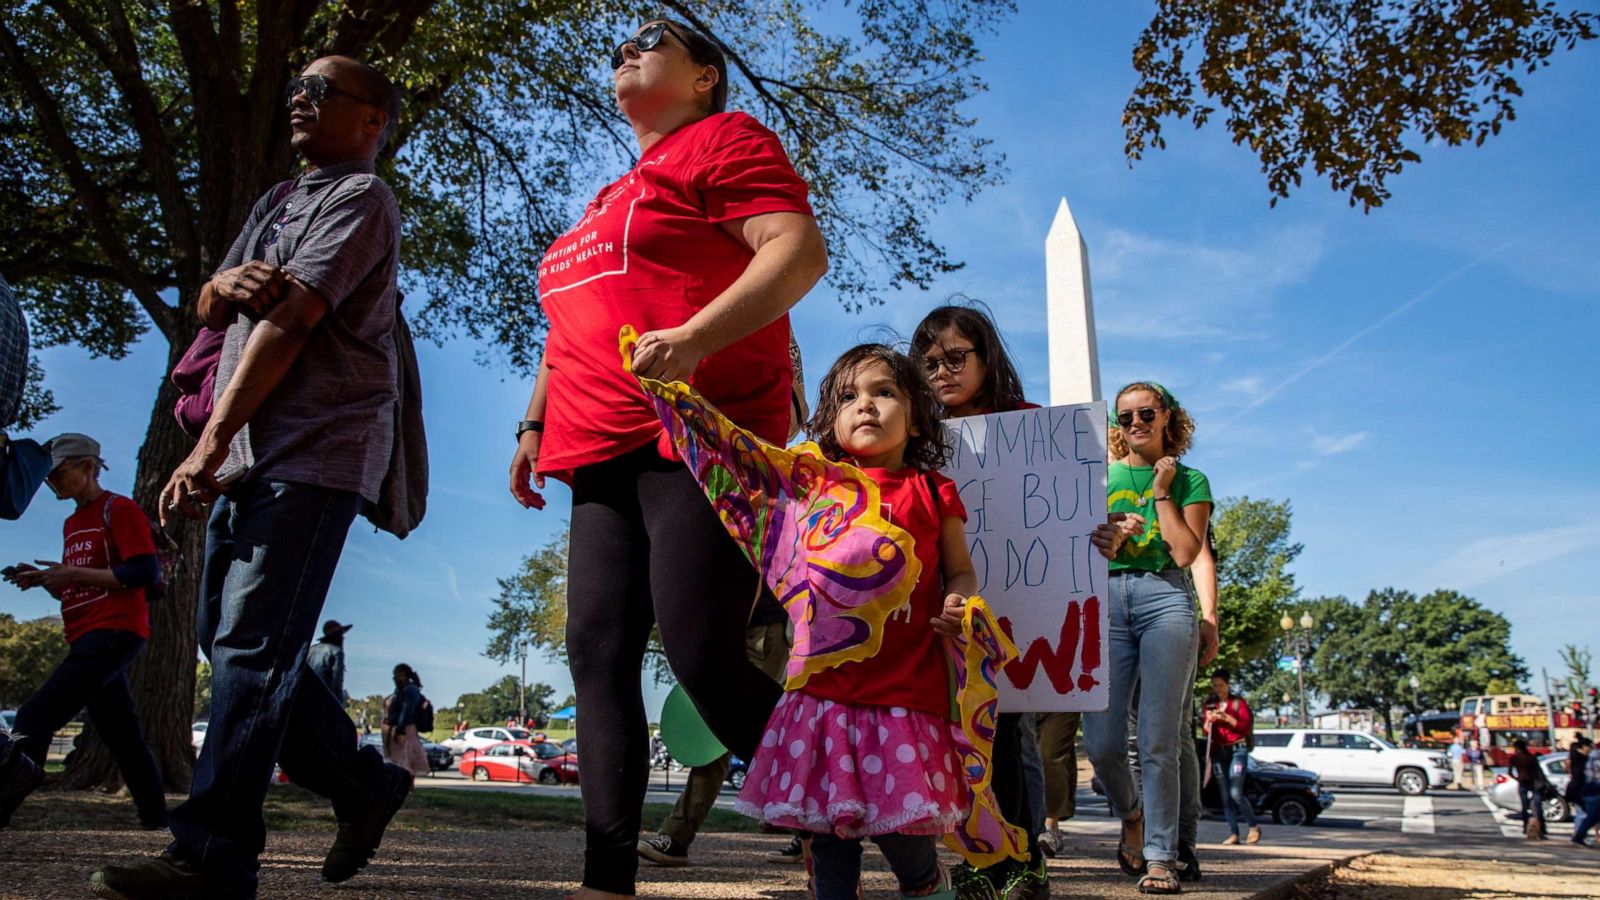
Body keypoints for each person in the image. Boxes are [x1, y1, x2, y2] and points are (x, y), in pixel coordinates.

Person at [505, 18, 827, 899]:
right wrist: (532, 427)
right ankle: (606, 878)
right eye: (615, 43)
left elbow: (798, 252)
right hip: (595, 442)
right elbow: (566, 323)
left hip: (696, 430)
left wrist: (691, 339)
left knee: (703, 654)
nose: (624, 49)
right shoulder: (608, 196)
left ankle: (843, 811)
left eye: (650, 39)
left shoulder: (725, 141)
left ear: (705, 77)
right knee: (595, 652)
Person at [90, 56, 413, 898]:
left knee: (251, 647)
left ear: (372, 120)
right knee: (226, 641)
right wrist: (218, 284)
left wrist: (202, 448)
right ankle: (362, 784)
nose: (299, 100)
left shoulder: (360, 199)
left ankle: (211, 857)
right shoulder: (278, 201)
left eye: (321, 92)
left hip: (315, 450)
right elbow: (216, 305)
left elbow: (292, 323)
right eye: (296, 88)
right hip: (250, 456)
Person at [735, 344, 975, 900]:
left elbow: (961, 573)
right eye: (848, 397)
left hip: (904, 696)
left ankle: (926, 883)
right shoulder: (813, 486)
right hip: (820, 694)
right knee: (826, 830)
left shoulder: (934, 491)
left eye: (883, 392)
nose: (865, 405)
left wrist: (960, 604)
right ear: (831, 420)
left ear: (916, 418)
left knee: (903, 834)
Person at [0, 433, 167, 830]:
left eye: (59, 473)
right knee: (121, 733)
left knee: (34, 715)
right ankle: (157, 818)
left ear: (89, 467)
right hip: (84, 629)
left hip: (114, 630)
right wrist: (45, 578)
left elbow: (144, 572)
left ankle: (3, 806)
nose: (52, 483)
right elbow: (84, 580)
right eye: (48, 477)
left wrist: (70, 572)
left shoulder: (119, 509)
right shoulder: (73, 522)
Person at [1084, 382, 1211, 896]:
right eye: (1125, 416)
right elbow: (1079, 544)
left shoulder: (1191, 480)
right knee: (1103, 743)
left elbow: (1185, 553)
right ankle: (1130, 812)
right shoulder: (1100, 477)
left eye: (1146, 413)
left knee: (1158, 738)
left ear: (1166, 416)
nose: (1135, 422)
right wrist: (1105, 532)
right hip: (1108, 599)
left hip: (1166, 599)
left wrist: (1161, 493)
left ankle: (1162, 857)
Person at [637, 597, 792, 867]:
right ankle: (814, 834)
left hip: (762, 629)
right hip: (729, 628)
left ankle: (816, 833)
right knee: (719, 733)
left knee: (743, 733)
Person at [1202, 669, 1261, 846]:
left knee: (1236, 792)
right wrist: (1209, 720)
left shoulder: (1238, 704)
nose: (1218, 689)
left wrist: (1227, 718)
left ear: (1228, 685)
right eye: (1215, 686)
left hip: (1237, 749)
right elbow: (1206, 730)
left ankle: (1253, 825)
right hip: (1219, 751)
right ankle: (1233, 832)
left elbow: (1244, 727)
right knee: (1225, 795)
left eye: (1220, 685)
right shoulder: (1210, 704)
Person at [382, 664, 429, 777]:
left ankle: (405, 787)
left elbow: (407, 710)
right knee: (400, 761)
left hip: (403, 729)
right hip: (399, 728)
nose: (395, 679)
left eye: (399, 676)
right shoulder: (402, 690)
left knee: (404, 761)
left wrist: (399, 730)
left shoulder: (409, 690)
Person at [307, 620, 353, 705]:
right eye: (341, 636)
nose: (342, 639)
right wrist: (338, 703)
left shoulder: (311, 649)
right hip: (323, 698)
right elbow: (337, 681)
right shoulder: (336, 652)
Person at [1508, 738, 1547, 839]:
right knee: (1537, 806)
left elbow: (1510, 772)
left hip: (1523, 782)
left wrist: (1517, 778)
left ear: (1517, 748)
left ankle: (1526, 827)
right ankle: (1541, 828)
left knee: (1524, 807)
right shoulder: (1531, 757)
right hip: (1533, 782)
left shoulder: (1515, 758)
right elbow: (1538, 771)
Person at [1572, 738, 1600, 847]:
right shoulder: (1596, 757)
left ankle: (1578, 836)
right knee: (1591, 816)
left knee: (1592, 816)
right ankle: (1578, 836)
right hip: (1595, 790)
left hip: (1589, 790)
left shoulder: (1591, 756)